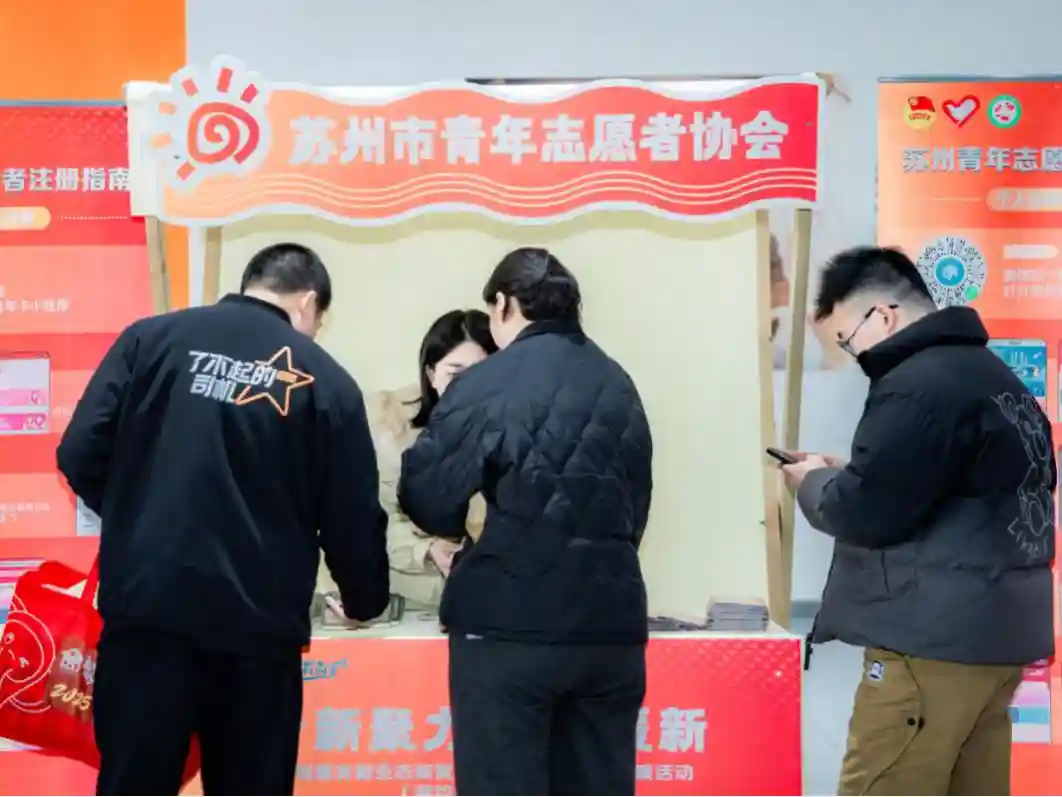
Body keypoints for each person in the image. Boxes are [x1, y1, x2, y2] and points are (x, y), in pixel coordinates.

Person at [56, 243, 390, 796]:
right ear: (308, 302)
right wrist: (364, 600)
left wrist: (135, 514)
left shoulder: (150, 339)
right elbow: (351, 513)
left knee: (134, 782)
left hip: (148, 616)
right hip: (257, 635)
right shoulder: (327, 383)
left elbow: (79, 452)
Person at [779, 246, 1056, 796]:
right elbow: (950, 487)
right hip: (998, 642)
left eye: (846, 340)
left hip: (928, 647)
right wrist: (850, 473)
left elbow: (864, 513)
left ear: (884, 316)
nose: (853, 356)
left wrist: (811, 482)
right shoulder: (994, 376)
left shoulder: (914, 386)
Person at [399, 247, 653, 796]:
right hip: (609, 630)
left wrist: (463, 529)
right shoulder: (617, 382)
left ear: (502, 304)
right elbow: (635, 507)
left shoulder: (487, 383)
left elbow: (428, 497)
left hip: (509, 630)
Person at [316, 310, 497, 614]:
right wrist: (425, 549)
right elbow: (358, 514)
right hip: (400, 598)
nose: (468, 387)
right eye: (455, 374)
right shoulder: (387, 420)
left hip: (489, 601)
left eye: (482, 374)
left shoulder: (516, 429)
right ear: (431, 374)